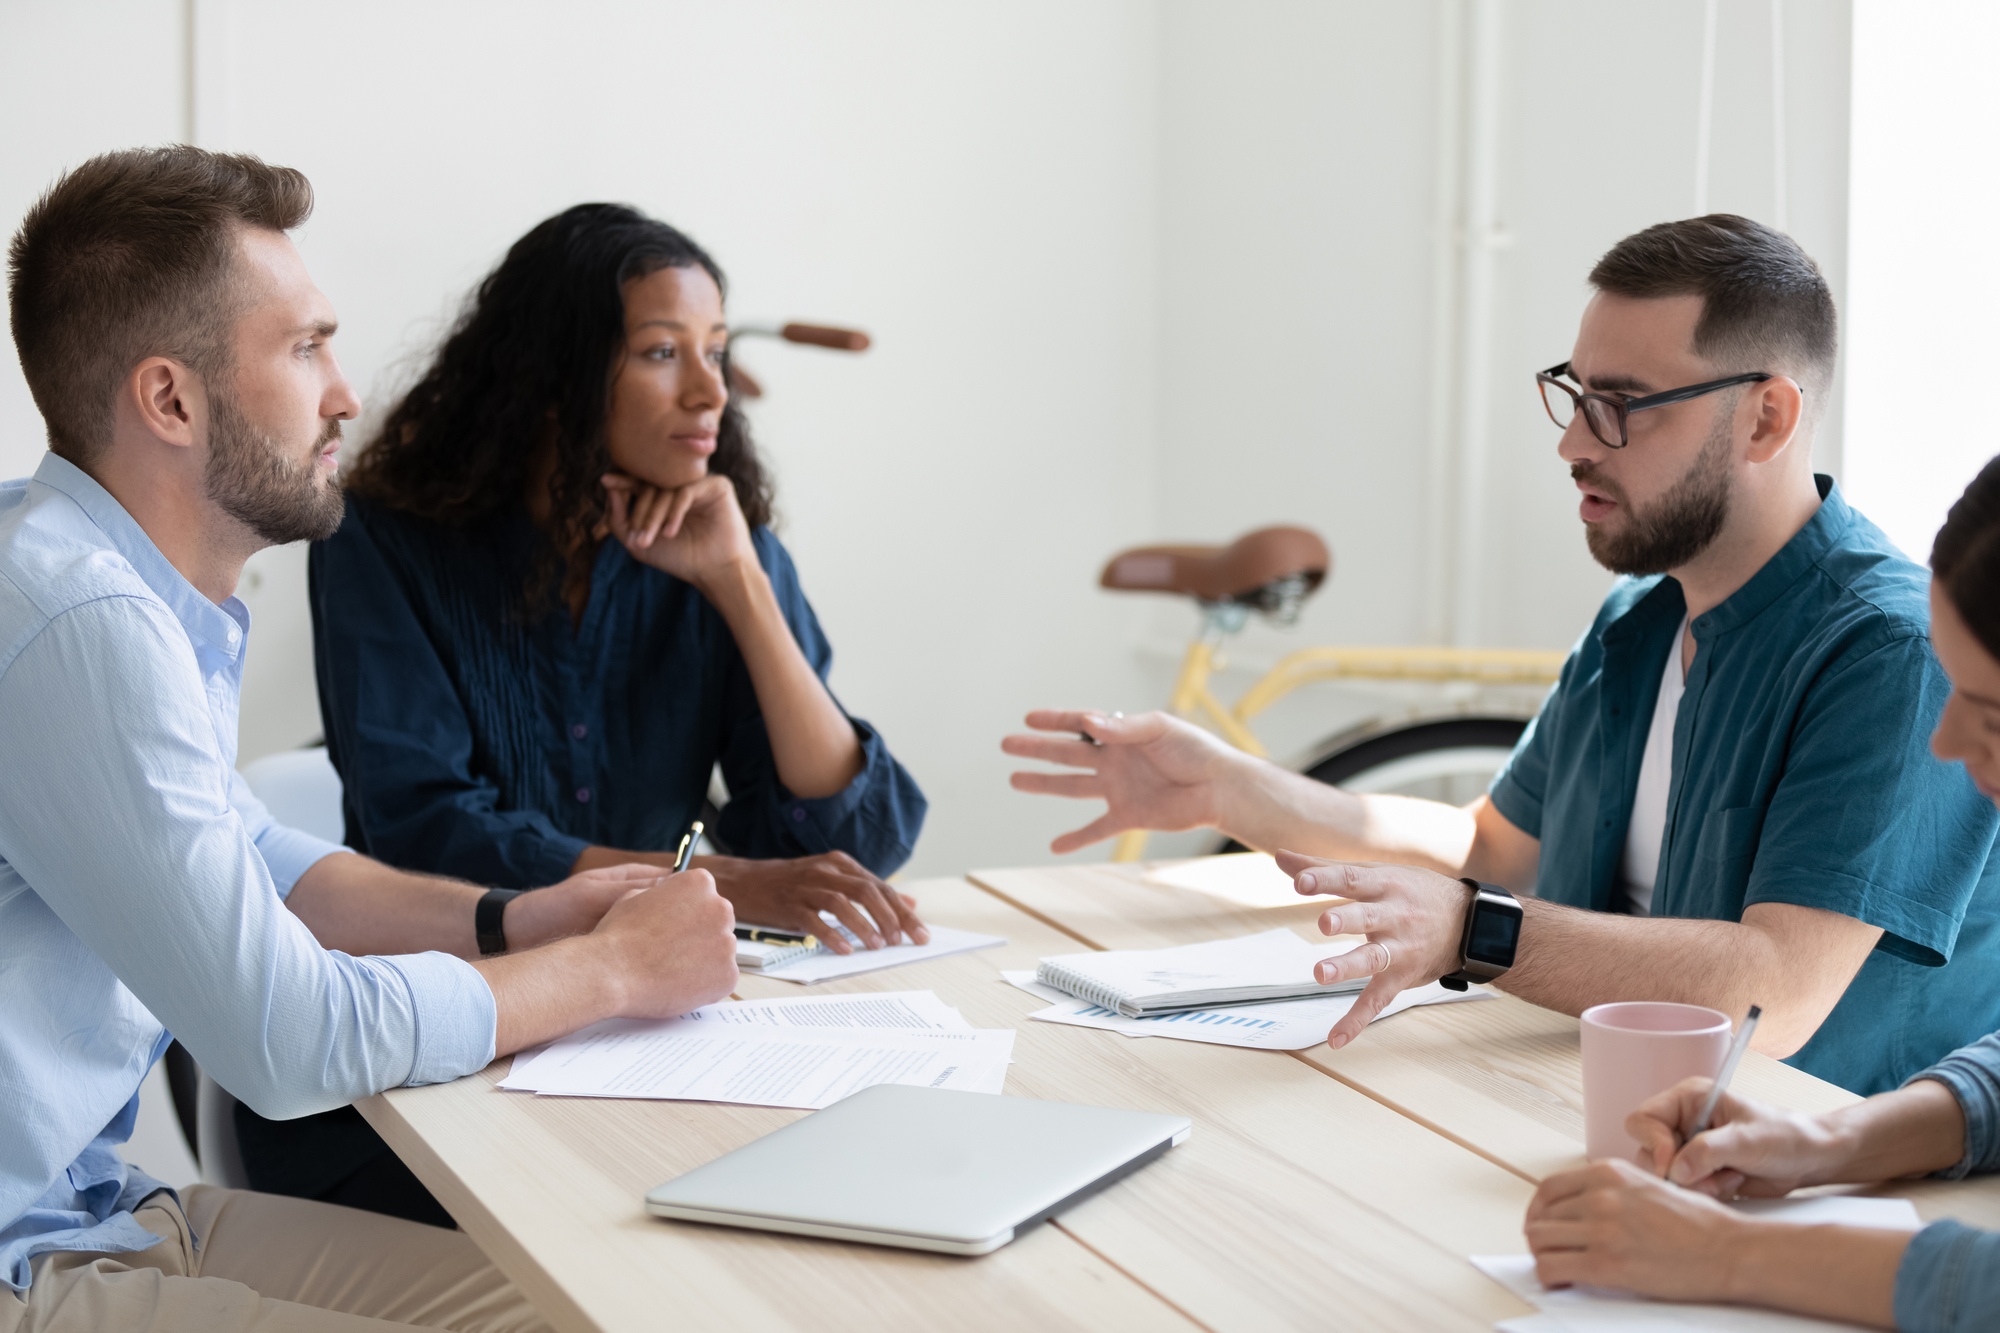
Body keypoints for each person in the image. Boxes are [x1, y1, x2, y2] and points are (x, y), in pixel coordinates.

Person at [1004, 214, 2000, 1095]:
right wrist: (1232, 790)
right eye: (1571, 393)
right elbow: (1489, 850)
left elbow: (1773, 993)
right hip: (1591, 1107)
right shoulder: (1637, 621)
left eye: (1620, 403)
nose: (1572, 441)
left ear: (1765, 417)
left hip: (1821, 1177)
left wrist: (1476, 931)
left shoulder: (1891, 651)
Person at [0, 146, 740, 1331]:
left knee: (600, 1306)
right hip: (25, 1269)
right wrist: (606, 969)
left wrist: (509, 915)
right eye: (305, 348)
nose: (345, 392)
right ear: (171, 400)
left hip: (98, 1212)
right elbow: (284, 1042)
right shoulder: (81, 620)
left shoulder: (101, 584)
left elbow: (261, 861)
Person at [258, 203, 927, 1220]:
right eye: (662, 352)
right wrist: (717, 877)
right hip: (451, 1038)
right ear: (554, 376)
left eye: (715, 349)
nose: (711, 391)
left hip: (667, 1035)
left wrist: (741, 581)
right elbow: (425, 819)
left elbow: (856, 837)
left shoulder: (718, 539)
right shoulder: (381, 538)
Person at [1522, 455, 2000, 1333]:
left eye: (1991, 709)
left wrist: (1718, 1254)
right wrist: (1826, 1142)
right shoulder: (1640, 620)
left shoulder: (1869, 640)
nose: (1947, 742)